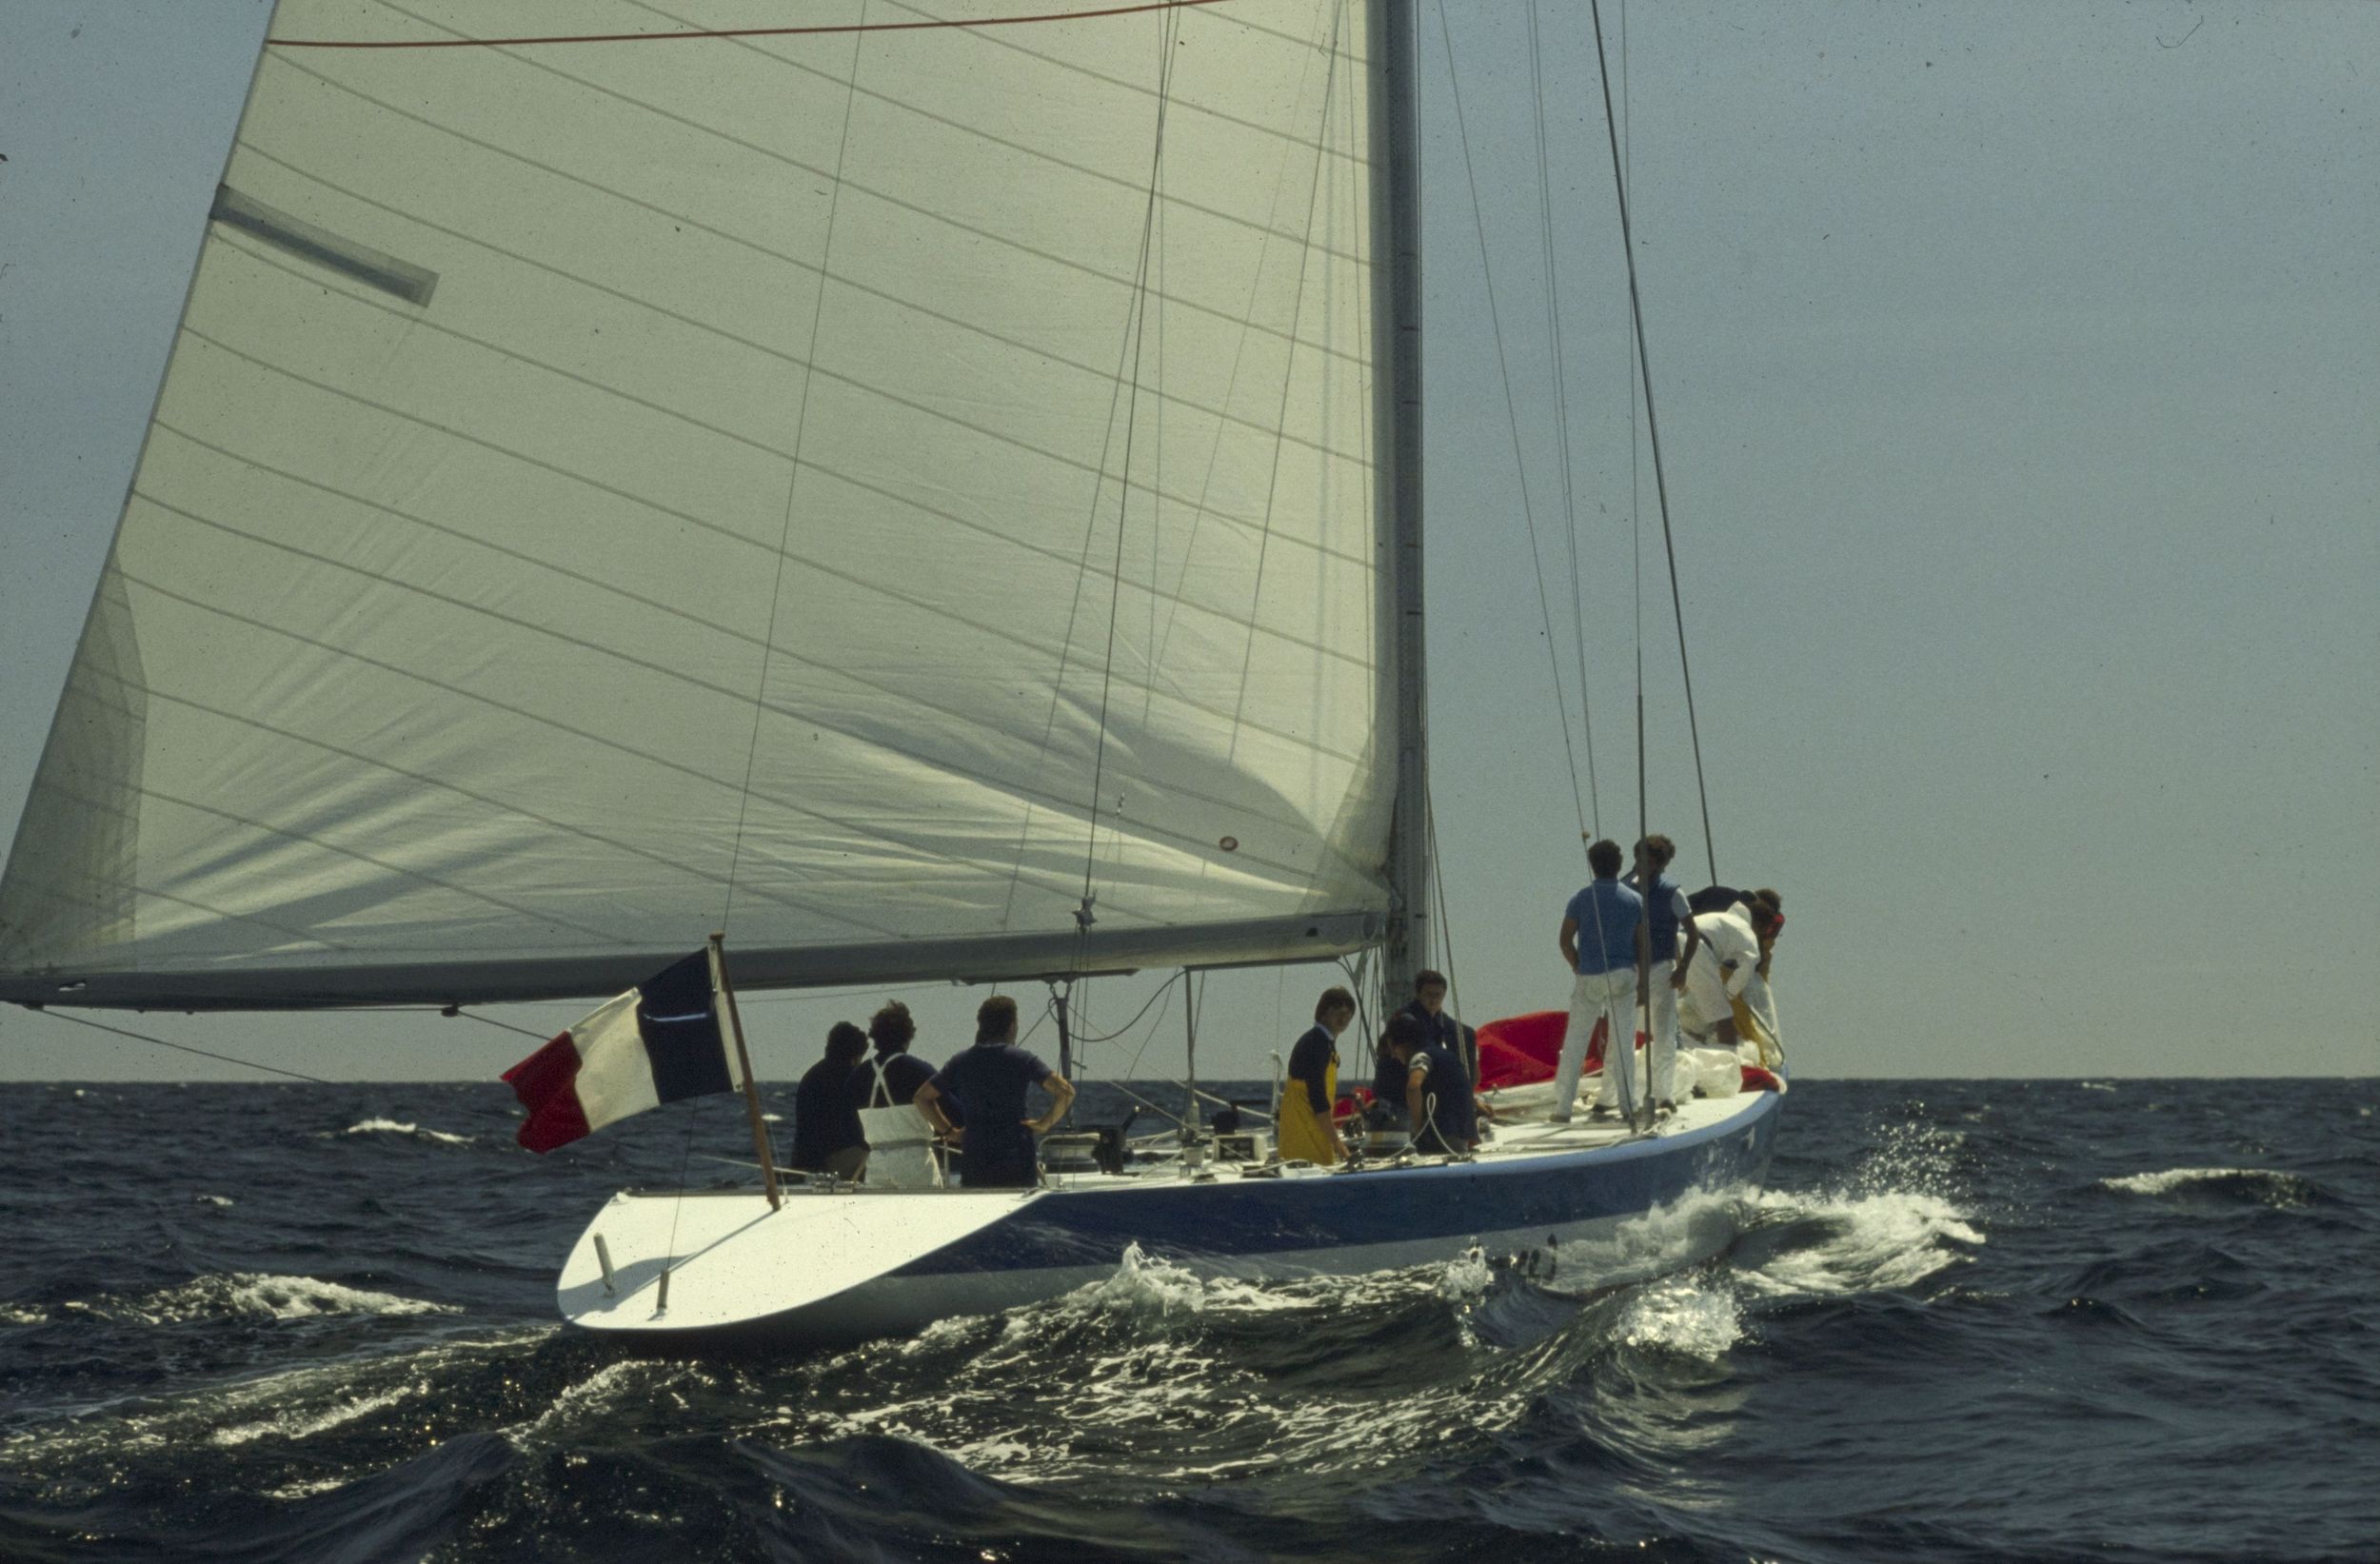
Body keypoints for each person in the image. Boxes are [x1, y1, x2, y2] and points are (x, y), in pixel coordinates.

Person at [915, 995, 1076, 1189]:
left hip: (976, 1156)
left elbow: (922, 1098)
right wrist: (1043, 1124)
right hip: (1016, 1155)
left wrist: (950, 1132)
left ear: (981, 1025)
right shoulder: (1022, 1059)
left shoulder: (961, 1061)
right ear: (1012, 1026)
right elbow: (1065, 1092)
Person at [1556, 838, 1646, 1122]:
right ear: (1619, 866)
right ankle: (1628, 1106)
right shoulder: (1634, 900)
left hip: (1590, 974)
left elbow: (1565, 940)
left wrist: (1577, 966)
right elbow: (1642, 944)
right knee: (1622, 1043)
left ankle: (1563, 1109)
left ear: (1592, 866)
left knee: (1575, 1043)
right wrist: (1642, 982)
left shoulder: (1580, 898)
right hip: (1622, 974)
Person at [1625, 835, 1703, 1110]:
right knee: (1623, 1032)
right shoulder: (1625, 888)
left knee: (1664, 1032)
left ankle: (1664, 1093)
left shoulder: (1672, 893)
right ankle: (1624, 1095)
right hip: (1630, 967)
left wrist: (1682, 968)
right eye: (1637, 859)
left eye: (1647, 861)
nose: (1640, 865)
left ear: (1659, 864)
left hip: (1661, 967)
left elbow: (1693, 934)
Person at [1280, 986, 1357, 1165]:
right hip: (1303, 1129)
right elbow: (1318, 1098)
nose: (1343, 1018)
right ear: (1323, 1014)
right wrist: (1337, 1143)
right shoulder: (1316, 1045)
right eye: (1336, 1012)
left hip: (1313, 1127)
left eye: (1347, 1014)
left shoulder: (1325, 1043)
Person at [1383, 1010, 1477, 1155]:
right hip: (1462, 1135)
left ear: (1404, 1044)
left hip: (1443, 1137)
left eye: (1393, 1048)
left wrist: (1418, 1128)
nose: (1393, 1055)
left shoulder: (1421, 1056)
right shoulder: (1445, 1056)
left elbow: (1413, 1087)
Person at [790, 1021, 870, 1178]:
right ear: (855, 1056)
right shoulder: (851, 1077)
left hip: (807, 1160)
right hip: (837, 1158)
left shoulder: (812, 1075)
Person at [853, 1000, 935, 1108]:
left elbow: (846, 1119)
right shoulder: (922, 1071)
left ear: (875, 1037)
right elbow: (953, 1110)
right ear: (908, 1036)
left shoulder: (858, 1076)